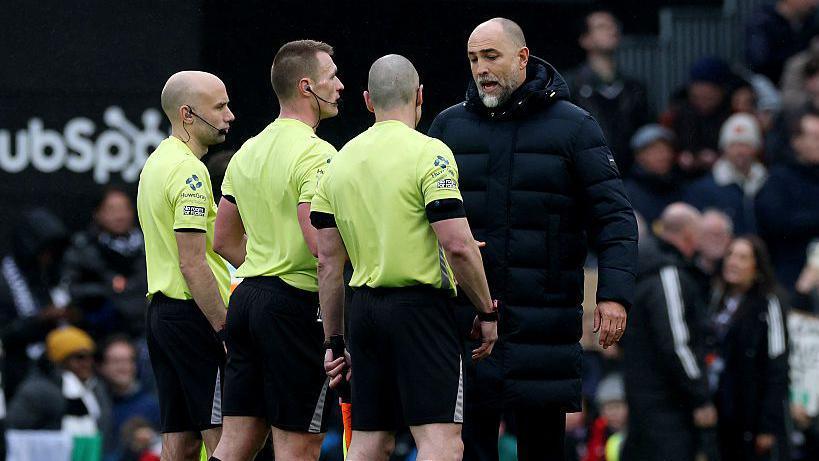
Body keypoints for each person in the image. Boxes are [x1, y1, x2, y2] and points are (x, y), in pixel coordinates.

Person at [427, 18, 637, 461]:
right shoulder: (447, 128)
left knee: (542, 448)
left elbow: (615, 217)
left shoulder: (576, 127)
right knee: (468, 450)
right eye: (472, 59)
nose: (480, 68)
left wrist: (614, 296)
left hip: (545, 321)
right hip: (466, 321)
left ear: (522, 58)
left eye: (491, 56)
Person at [311, 54, 498, 460]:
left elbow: (327, 263)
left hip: (363, 312)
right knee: (440, 442)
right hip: (421, 311)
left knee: (368, 440)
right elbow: (458, 244)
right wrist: (486, 311)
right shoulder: (430, 152)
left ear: (366, 100)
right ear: (420, 96)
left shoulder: (337, 163)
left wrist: (335, 340)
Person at [209, 39, 343, 461]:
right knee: (298, 446)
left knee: (236, 444)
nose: (339, 85)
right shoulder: (317, 154)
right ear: (306, 87)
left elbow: (223, 240)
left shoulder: (247, 149)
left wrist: (265, 262)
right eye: (331, 77)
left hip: (246, 301)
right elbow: (321, 247)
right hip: (293, 307)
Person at [136, 70, 234, 460]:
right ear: (187, 114)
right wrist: (225, 328)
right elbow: (193, 264)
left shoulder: (156, 163)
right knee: (225, 438)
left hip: (161, 315)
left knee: (179, 438)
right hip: (196, 317)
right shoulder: (190, 172)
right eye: (220, 106)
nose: (230, 116)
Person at [621, 204, 715, 461]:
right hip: (668, 405)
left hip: (644, 397)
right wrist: (700, 395)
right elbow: (676, 342)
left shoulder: (644, 267)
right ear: (688, 235)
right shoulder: (667, 273)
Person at [707, 236, 790, 460]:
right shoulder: (718, 298)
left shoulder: (769, 302)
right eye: (730, 254)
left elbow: (778, 365)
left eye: (742, 257)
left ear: (757, 266)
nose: (733, 262)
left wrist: (768, 426)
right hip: (723, 408)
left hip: (753, 412)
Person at [0, 208, 71, 400]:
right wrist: (39, 319)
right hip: (14, 370)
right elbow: (4, 334)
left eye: (53, 252)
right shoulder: (5, 280)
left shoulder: (50, 278)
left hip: (54, 367)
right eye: (44, 251)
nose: (48, 258)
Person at [568, 10, 649, 174]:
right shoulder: (571, 87)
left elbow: (646, 134)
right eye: (601, 26)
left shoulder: (635, 88)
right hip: (586, 177)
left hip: (629, 178)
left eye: (614, 26)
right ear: (585, 39)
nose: (612, 30)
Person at [62, 187, 148, 338]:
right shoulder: (83, 249)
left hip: (144, 327)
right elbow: (70, 289)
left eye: (124, 209)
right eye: (112, 210)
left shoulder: (148, 244)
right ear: (97, 214)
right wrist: (107, 290)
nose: (120, 216)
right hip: (100, 330)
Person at [7, 326, 111, 442]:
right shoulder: (37, 391)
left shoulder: (96, 388)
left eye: (92, 357)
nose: (88, 363)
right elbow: (13, 431)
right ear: (60, 361)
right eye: (80, 357)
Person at [756, 109, 819, 293]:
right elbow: (777, 222)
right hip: (791, 276)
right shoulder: (779, 178)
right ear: (796, 141)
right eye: (815, 137)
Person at [684, 113, 768, 234]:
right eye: (733, 145)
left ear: (756, 148)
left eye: (746, 144)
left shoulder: (768, 183)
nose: (740, 151)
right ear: (723, 148)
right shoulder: (703, 190)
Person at [662, 57, 733, 179]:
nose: (702, 102)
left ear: (721, 92)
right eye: (696, 97)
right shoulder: (676, 114)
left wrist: (720, 158)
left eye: (709, 97)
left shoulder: (732, 115)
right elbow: (661, 148)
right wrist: (678, 156)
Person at [98, 336, 160, 461]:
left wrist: (152, 439)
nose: (123, 367)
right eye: (116, 361)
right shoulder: (95, 400)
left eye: (128, 360)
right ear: (101, 366)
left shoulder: (152, 405)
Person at [746, 0, 819, 84]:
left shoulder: (811, 21)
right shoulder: (762, 22)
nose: (814, 2)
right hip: (772, 86)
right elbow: (759, 62)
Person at [622, 124, 682, 226]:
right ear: (639, 155)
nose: (663, 155)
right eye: (656, 150)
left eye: (666, 149)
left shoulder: (679, 186)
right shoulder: (627, 193)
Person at [696, 209, 734, 278]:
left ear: (729, 238)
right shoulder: (686, 271)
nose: (714, 240)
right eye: (709, 234)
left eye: (720, 234)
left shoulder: (734, 275)